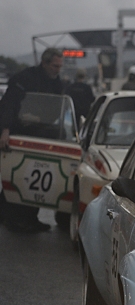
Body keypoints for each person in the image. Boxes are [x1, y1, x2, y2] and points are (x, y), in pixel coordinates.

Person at [0, 47, 64, 232]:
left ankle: (26, 216)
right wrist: (5, 130)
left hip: (39, 132)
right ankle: (14, 216)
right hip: (18, 131)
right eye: (54, 66)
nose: (57, 70)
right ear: (44, 63)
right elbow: (9, 105)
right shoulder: (24, 78)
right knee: (18, 174)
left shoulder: (57, 83)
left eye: (60, 66)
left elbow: (57, 108)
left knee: (31, 175)